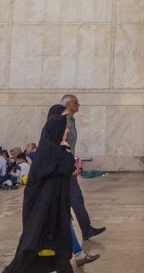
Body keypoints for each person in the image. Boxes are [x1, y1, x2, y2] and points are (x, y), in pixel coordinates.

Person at [4, 113, 98, 272]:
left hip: (55, 212)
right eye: (65, 128)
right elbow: (67, 167)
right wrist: (65, 149)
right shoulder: (48, 155)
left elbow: (68, 167)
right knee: (28, 254)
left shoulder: (56, 152)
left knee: (61, 254)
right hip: (41, 214)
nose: (67, 131)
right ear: (56, 130)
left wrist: (65, 149)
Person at [60, 94, 106, 240]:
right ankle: (85, 229)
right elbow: (62, 144)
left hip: (67, 163)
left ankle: (86, 229)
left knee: (75, 197)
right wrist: (70, 164)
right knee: (74, 197)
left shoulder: (71, 119)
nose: (78, 105)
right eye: (76, 103)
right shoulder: (62, 120)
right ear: (68, 105)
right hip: (64, 165)